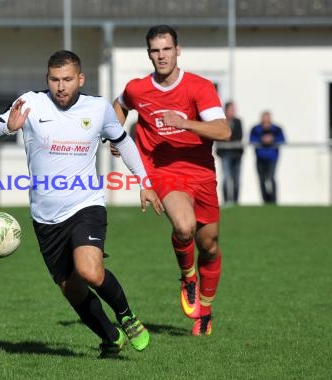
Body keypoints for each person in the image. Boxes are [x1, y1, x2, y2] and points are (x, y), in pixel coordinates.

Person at [0, 50, 161, 358]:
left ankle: (127, 316)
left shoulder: (98, 108)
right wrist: (9, 127)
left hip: (86, 204)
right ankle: (110, 338)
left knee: (90, 271)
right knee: (72, 289)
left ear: (81, 79)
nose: (61, 86)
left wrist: (144, 182)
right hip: (45, 217)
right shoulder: (30, 102)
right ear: (47, 79)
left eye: (67, 79)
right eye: (54, 80)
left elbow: (123, 142)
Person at [112, 25, 231, 336]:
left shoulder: (199, 87)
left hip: (202, 173)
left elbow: (223, 131)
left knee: (210, 246)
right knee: (183, 226)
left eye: (166, 49)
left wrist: (185, 123)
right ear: (149, 53)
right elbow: (120, 105)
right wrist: (116, 134)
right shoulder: (138, 88)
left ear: (178, 50)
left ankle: (204, 312)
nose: (161, 56)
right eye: (155, 50)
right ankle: (187, 276)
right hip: (163, 172)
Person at [249, 110, 286, 204]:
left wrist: (272, 139)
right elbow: (251, 139)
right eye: (264, 119)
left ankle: (273, 200)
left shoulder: (277, 129)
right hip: (260, 158)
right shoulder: (255, 129)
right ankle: (265, 200)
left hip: (272, 158)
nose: (265, 121)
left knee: (272, 178)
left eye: (267, 119)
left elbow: (282, 139)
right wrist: (261, 140)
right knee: (261, 179)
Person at [215, 101, 244, 205]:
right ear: (226, 110)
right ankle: (227, 201)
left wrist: (227, 137)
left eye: (234, 109)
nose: (233, 111)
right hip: (225, 153)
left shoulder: (238, 121)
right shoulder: (221, 122)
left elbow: (239, 136)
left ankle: (236, 201)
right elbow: (220, 135)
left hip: (237, 154)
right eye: (231, 109)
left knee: (236, 179)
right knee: (226, 177)